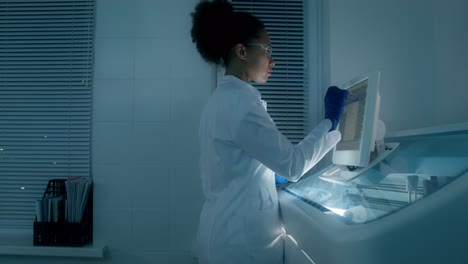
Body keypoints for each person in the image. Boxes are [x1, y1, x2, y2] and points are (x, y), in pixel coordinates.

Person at [190, 1, 348, 263]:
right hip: (238, 241)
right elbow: (294, 164)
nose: (273, 60)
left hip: (223, 231)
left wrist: (264, 175)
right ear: (241, 51)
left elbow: (234, 163)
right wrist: (330, 122)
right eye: (267, 50)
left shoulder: (222, 99)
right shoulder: (240, 103)